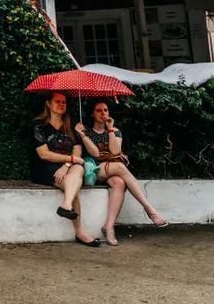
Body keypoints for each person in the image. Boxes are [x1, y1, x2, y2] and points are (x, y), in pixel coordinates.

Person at [76, 102, 167, 245]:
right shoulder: (85, 131)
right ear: (92, 114)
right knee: (119, 166)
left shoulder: (115, 131)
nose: (103, 114)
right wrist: (83, 136)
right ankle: (148, 208)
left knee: (120, 183)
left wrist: (110, 129)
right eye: (98, 111)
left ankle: (109, 227)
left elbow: (115, 151)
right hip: (94, 170)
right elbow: (95, 153)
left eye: (105, 110)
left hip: (111, 169)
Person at [30, 92, 100, 247]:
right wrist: (72, 160)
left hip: (68, 167)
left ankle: (66, 205)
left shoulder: (71, 123)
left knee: (77, 171)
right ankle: (80, 232)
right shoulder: (39, 125)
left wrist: (67, 165)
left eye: (64, 102)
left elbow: (77, 151)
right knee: (73, 187)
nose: (61, 104)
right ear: (48, 103)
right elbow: (43, 154)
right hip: (46, 168)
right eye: (57, 101)